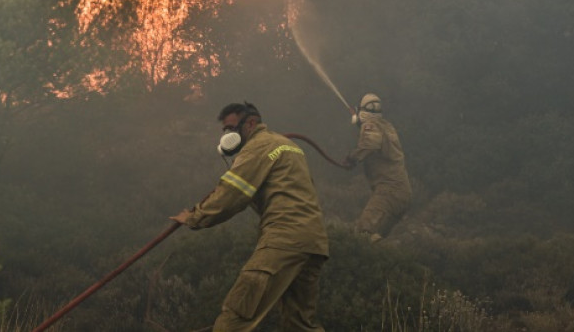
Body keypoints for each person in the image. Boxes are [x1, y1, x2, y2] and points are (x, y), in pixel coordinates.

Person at [171, 102, 329, 331]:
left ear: (251, 124)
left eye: (231, 128)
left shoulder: (258, 147)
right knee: (300, 324)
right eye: (225, 130)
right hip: (314, 243)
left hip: (283, 240)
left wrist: (193, 217)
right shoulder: (288, 145)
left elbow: (231, 195)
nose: (227, 135)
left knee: (235, 317)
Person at [345, 93, 412, 243]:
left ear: (362, 111)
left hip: (388, 192)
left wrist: (352, 157)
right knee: (375, 237)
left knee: (364, 232)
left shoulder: (370, 126)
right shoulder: (387, 126)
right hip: (402, 195)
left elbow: (370, 144)